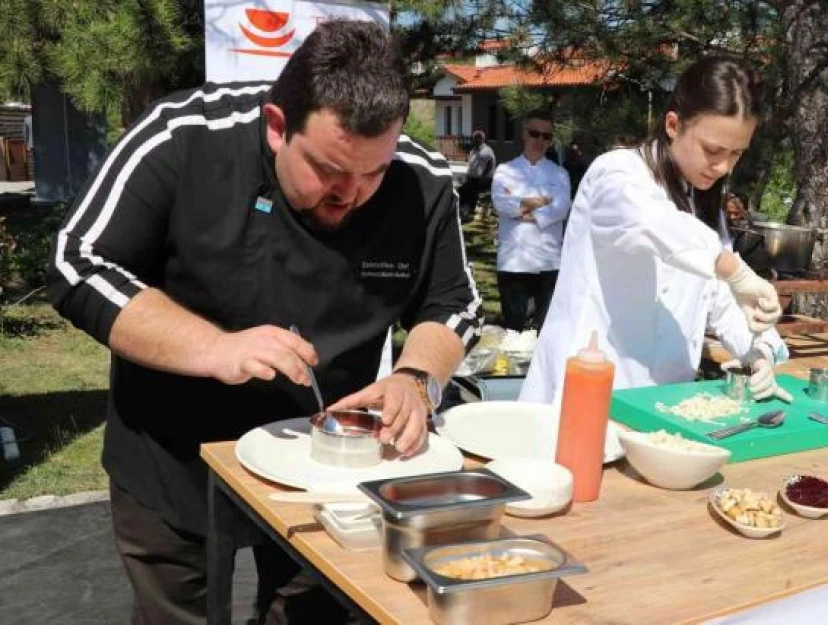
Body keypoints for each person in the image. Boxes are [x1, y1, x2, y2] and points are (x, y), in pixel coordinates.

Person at [46, 21, 481, 625]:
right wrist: (214, 347)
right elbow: (78, 262)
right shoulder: (187, 135)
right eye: (329, 171)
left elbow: (454, 304)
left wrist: (416, 377)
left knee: (311, 616)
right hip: (172, 453)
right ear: (277, 127)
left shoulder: (421, 181)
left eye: (373, 173)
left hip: (329, 466)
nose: (351, 195)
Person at [519, 56, 786, 405]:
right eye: (713, 150)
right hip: (586, 399)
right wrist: (736, 271)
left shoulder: (701, 202)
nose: (723, 166)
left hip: (665, 404)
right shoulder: (616, 174)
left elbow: (719, 299)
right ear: (673, 124)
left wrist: (759, 348)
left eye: (736, 153)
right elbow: (654, 225)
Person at [491, 109, 572, 331]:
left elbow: (562, 209)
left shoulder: (560, 174)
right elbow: (501, 203)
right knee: (513, 333)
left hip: (549, 262)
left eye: (546, 136)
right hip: (513, 261)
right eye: (535, 133)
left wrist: (523, 209)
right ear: (524, 133)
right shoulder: (505, 170)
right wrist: (544, 201)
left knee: (546, 332)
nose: (540, 140)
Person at [457, 129, 495, 223]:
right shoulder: (473, 150)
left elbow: (491, 165)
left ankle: (467, 214)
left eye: (475, 139)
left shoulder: (487, 151)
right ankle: (463, 212)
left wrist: (484, 177)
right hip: (470, 178)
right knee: (460, 191)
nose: (473, 141)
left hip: (480, 180)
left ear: (480, 139)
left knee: (470, 194)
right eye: (473, 139)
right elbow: (471, 164)